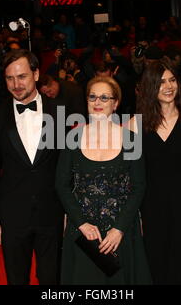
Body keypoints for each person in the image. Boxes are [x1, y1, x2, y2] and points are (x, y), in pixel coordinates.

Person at [55, 76, 152, 284]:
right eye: (92, 97)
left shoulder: (131, 139)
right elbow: (61, 185)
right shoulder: (73, 137)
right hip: (83, 234)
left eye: (104, 98)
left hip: (120, 232)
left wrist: (119, 229)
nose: (97, 102)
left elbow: (139, 186)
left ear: (115, 103)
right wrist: (81, 224)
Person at [0, 49, 65, 285]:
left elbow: (68, 166)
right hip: (12, 215)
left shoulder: (60, 111)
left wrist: (71, 211)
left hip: (52, 213)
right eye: (10, 78)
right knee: (16, 279)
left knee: (52, 279)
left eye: (22, 77)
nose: (16, 84)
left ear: (36, 74)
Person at [130, 60, 181, 284]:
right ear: (149, 87)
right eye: (161, 81)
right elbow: (130, 176)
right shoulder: (136, 125)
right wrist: (136, 214)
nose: (168, 86)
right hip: (151, 208)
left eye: (172, 80)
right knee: (156, 270)